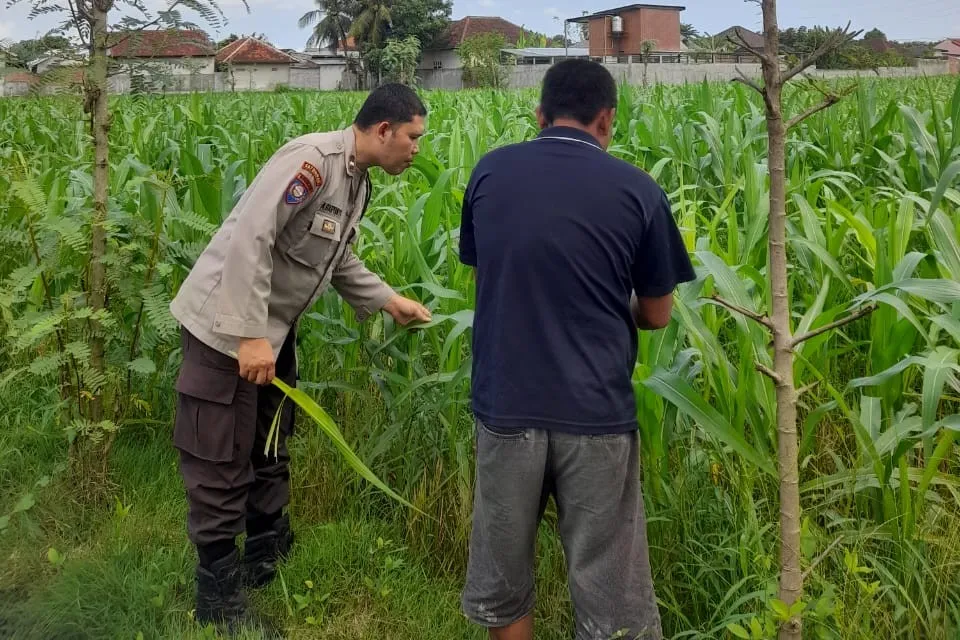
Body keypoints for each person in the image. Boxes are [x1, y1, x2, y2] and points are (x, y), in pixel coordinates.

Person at [168, 83, 432, 628]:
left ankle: (266, 550)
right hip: (228, 329)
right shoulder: (313, 163)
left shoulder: (355, 180)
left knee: (269, 438)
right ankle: (217, 594)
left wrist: (388, 301)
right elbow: (249, 238)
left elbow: (334, 259)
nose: (415, 149)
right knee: (220, 451)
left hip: (272, 331)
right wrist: (247, 335)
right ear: (384, 131)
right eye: (412, 138)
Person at [458, 59, 696, 640]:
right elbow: (657, 315)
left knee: (505, 579)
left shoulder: (490, 174)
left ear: (539, 115)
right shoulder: (639, 191)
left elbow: (486, 271)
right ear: (607, 120)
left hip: (506, 405)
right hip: (596, 414)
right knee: (611, 593)